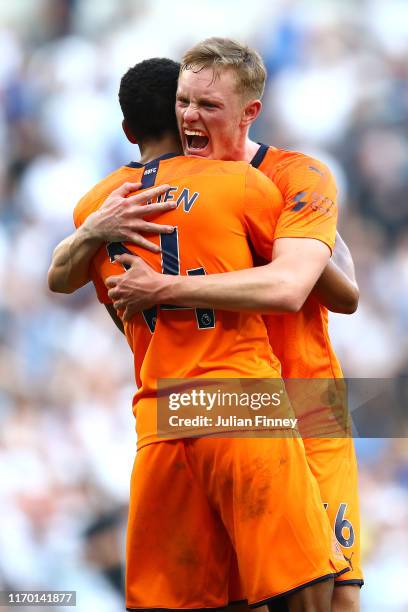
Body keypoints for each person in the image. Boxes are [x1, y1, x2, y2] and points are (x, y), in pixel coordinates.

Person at [49, 58, 349, 611]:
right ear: (181, 116)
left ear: (127, 130)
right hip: (245, 400)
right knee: (312, 591)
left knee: (193, 599)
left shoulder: (95, 207)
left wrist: (97, 236)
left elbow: (62, 280)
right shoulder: (246, 184)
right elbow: (330, 292)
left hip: (161, 417)